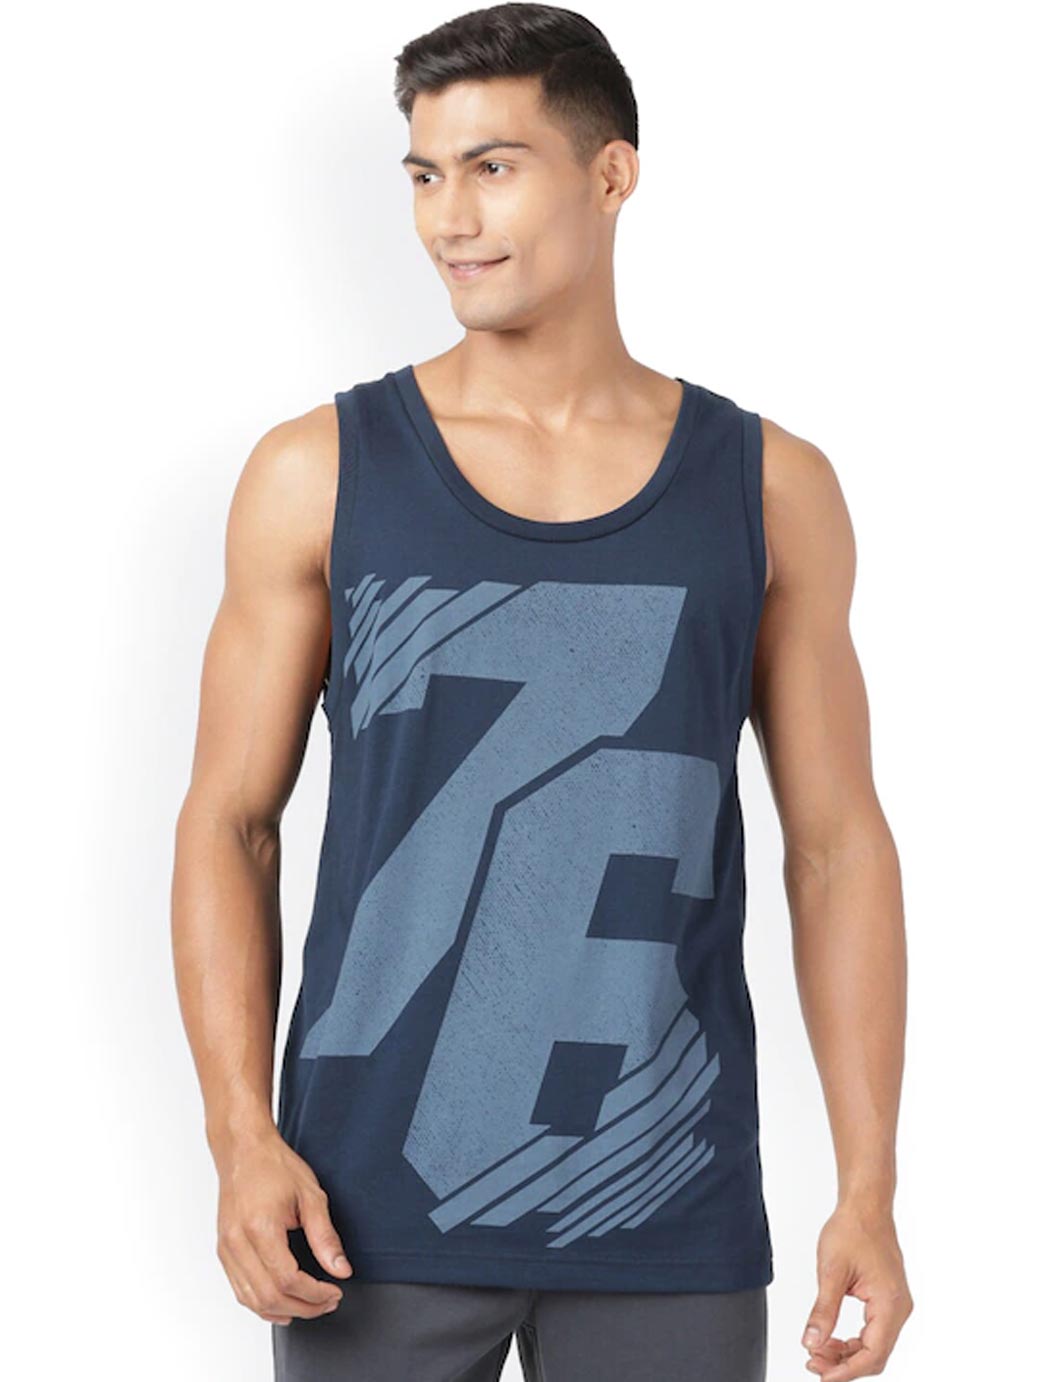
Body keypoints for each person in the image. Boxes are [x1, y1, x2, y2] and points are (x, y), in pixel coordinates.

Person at [171, 5, 914, 1380]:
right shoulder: (318, 472)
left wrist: (868, 1183)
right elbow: (232, 822)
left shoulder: (767, 488)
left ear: (611, 174)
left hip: (665, 1200)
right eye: (424, 174)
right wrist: (238, 1137)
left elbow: (836, 845)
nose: (449, 218)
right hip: (363, 1212)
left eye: (494, 167)